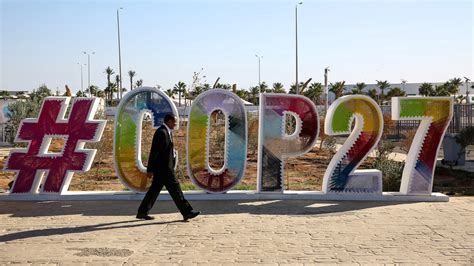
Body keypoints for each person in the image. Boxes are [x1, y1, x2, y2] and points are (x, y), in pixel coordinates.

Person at [136, 114, 200, 221]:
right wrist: (150, 169)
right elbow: (154, 152)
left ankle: (142, 211)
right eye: (174, 122)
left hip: (164, 169)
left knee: (154, 190)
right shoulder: (161, 133)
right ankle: (187, 212)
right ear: (169, 121)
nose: (175, 124)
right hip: (164, 169)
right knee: (176, 189)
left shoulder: (167, 132)